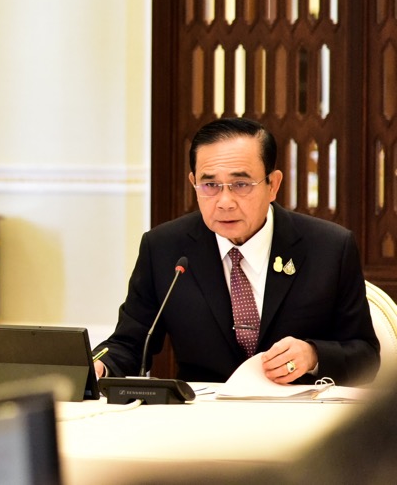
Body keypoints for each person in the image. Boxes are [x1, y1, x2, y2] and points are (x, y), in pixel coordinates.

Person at [94, 118, 379, 385]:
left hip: (299, 413)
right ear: (194, 183)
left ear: (273, 185)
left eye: (241, 184)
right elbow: (129, 344)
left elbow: (365, 355)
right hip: (202, 414)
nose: (225, 202)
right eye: (210, 185)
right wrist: (98, 367)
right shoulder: (164, 248)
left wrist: (314, 355)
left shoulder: (329, 248)